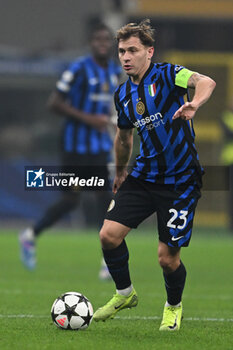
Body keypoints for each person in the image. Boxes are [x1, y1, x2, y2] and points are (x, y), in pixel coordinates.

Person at [93, 19, 216, 330]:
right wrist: (120, 172)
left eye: (133, 50)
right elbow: (123, 137)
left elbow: (206, 82)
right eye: (122, 51)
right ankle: (124, 294)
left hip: (181, 181)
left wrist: (195, 104)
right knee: (108, 235)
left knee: (167, 258)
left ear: (149, 52)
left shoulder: (169, 74)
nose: (125, 57)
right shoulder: (122, 95)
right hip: (144, 175)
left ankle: (173, 306)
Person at [19, 22, 122, 278]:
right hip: (74, 147)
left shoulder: (114, 71)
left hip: (99, 147)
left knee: (105, 198)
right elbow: (53, 102)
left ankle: (107, 260)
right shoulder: (78, 68)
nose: (102, 43)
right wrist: (90, 119)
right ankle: (30, 235)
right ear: (90, 43)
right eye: (98, 39)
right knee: (71, 200)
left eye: (106, 39)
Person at [220, 99, 233, 231]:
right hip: (230, 161)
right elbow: (228, 134)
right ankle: (231, 224)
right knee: (231, 194)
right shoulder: (226, 118)